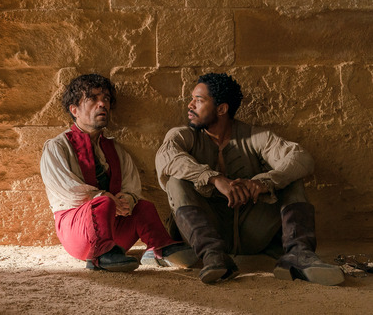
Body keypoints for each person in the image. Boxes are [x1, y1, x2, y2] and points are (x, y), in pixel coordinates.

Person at [155, 73, 344, 285]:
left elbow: (301, 158)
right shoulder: (183, 135)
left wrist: (264, 182)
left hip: (254, 230)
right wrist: (214, 178)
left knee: (292, 178)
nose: (190, 105)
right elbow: (166, 157)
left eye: (199, 100)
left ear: (221, 109)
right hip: (207, 228)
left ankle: (299, 254)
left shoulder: (255, 136)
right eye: (192, 99)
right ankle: (214, 256)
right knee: (175, 181)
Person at [40, 73, 195, 271]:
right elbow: (67, 189)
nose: (102, 104)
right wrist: (107, 198)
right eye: (93, 99)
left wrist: (127, 200)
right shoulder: (56, 147)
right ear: (74, 110)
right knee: (103, 202)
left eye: (105, 99)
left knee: (143, 206)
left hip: (115, 229)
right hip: (77, 230)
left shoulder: (116, 150)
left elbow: (132, 187)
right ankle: (100, 256)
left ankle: (160, 248)